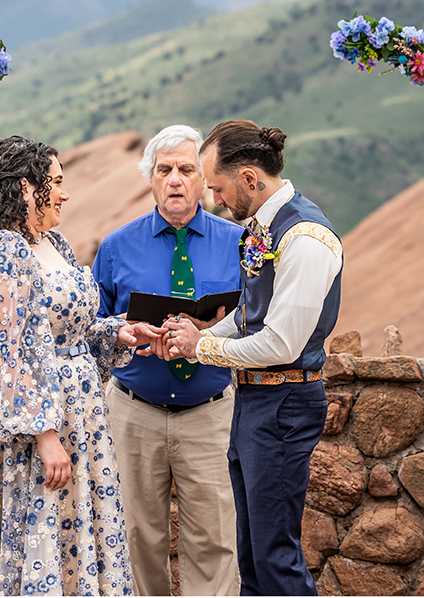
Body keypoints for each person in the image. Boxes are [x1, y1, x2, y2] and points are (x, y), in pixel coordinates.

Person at [0, 135, 163, 596]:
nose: (65, 192)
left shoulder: (53, 242)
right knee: (38, 530)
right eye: (55, 182)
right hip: (38, 427)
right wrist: (44, 432)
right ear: (25, 188)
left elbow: (69, 332)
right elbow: (8, 351)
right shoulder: (2, 251)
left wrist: (115, 331)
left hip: (81, 419)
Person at [159, 120, 343, 596]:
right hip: (254, 402)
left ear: (248, 178)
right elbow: (248, 314)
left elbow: (280, 344)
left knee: (275, 556)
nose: (215, 199)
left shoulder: (306, 238)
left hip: (285, 404)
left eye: (217, 187)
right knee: (252, 556)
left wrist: (203, 349)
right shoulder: (263, 228)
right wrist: (194, 333)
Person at [91, 125, 243, 596]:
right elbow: (90, 329)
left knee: (216, 540)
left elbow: (259, 320)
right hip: (133, 413)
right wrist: (127, 331)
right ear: (151, 179)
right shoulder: (116, 247)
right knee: (135, 538)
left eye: (186, 169)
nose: (175, 179)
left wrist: (209, 333)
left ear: (203, 179)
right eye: (164, 170)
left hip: (211, 413)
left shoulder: (239, 243)